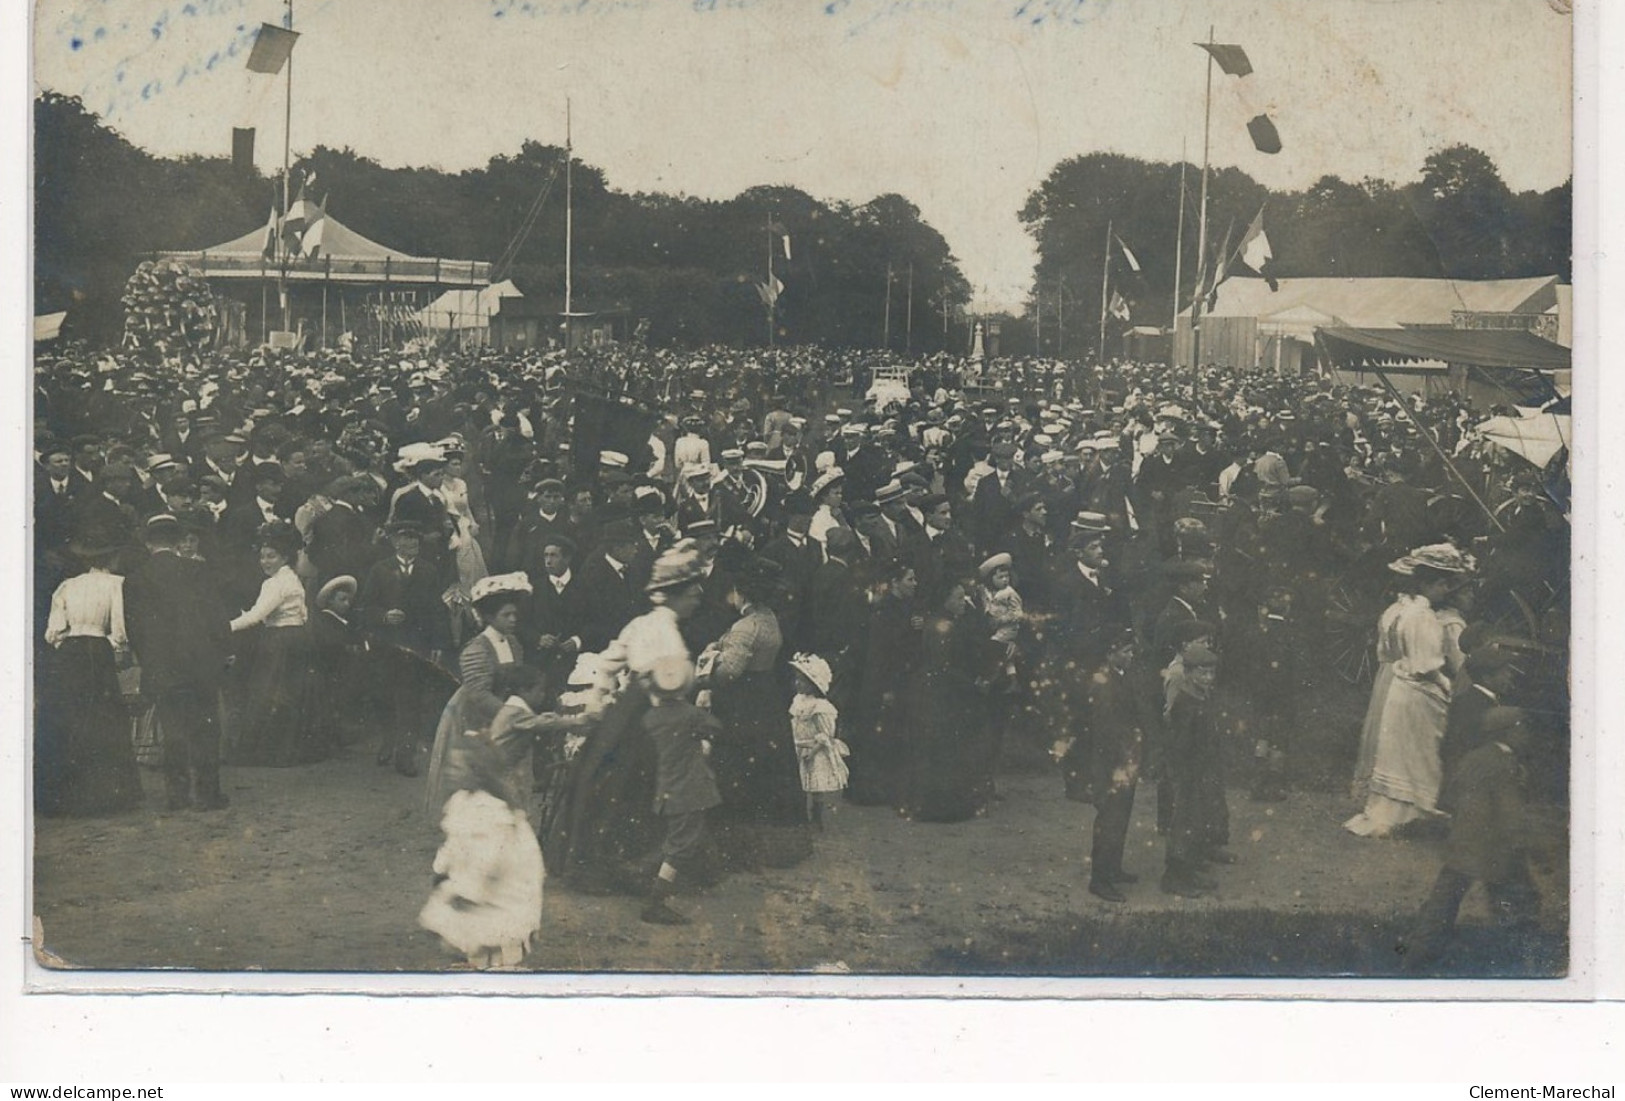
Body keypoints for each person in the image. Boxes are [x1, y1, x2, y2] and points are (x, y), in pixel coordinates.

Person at [417, 665, 555, 970]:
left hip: (501, 893)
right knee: (471, 941)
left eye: (460, 767)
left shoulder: (490, 811)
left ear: (478, 771)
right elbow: (456, 843)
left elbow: (486, 860)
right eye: (450, 767)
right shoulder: (465, 802)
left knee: (494, 947)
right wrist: (442, 868)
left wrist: (462, 891)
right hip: (481, 887)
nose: (452, 772)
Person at [1345, 544, 1477, 838]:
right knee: (1415, 752)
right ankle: (1411, 812)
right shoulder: (1423, 616)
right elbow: (1427, 664)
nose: (1445, 590)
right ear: (1428, 584)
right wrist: (1447, 688)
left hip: (1392, 679)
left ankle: (1392, 810)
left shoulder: (1395, 609)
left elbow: (1385, 652)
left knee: (1393, 749)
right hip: (1416, 688)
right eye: (1441, 584)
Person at [1402, 707, 1542, 970]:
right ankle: (1522, 961)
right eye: (1523, 728)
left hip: (1462, 844)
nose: (1527, 734)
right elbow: (1509, 811)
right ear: (1509, 732)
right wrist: (1521, 841)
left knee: (1443, 902)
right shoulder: (1506, 765)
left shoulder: (1473, 758)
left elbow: (1451, 796)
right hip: (1495, 847)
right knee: (1522, 900)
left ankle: (1417, 955)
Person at [702, 556, 809, 869]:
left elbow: (728, 673)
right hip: (767, 697)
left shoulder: (745, 627)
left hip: (743, 702)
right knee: (770, 766)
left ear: (741, 593)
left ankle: (739, 846)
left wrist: (711, 657)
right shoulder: (769, 617)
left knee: (737, 766)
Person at [122, 514, 234, 811]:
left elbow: (134, 631)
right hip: (201, 663)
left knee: (173, 730)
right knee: (206, 728)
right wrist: (223, 651)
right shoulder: (198, 570)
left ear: (148, 543)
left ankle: (178, 796)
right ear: (176, 542)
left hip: (162, 666)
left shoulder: (134, 579)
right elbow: (217, 618)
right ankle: (208, 794)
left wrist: (149, 661)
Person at [37, 535, 143, 817]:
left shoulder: (67, 585)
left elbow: (53, 631)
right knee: (101, 717)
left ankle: (62, 794)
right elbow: (119, 629)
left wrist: (67, 644)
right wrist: (115, 646)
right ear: (111, 559)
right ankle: (102, 794)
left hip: (69, 653)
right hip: (97, 651)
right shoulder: (116, 583)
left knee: (69, 716)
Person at [423, 572, 534, 813]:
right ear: (489, 617)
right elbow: (479, 696)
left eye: (515, 614)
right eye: (506, 615)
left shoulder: (514, 643)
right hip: (475, 718)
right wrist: (512, 717)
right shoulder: (476, 649)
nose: (513, 619)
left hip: (504, 714)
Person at [639, 655, 725, 925]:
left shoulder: (651, 717)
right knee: (680, 846)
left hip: (667, 786)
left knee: (685, 837)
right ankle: (655, 901)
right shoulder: (690, 715)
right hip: (688, 789)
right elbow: (716, 728)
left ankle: (700, 875)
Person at [226, 521, 320, 767]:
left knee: (269, 694)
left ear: (284, 557)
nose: (265, 562)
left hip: (280, 642)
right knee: (288, 695)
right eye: (262, 557)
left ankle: (267, 752)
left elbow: (256, 616)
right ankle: (284, 751)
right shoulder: (291, 578)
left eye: (271, 556)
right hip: (294, 639)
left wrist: (223, 628)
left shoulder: (276, 583)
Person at [1079, 629, 1150, 903]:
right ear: (1110, 653)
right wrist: (1121, 760)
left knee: (1121, 814)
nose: (1131, 656)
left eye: (1132, 651)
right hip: (1111, 763)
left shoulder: (1120, 677)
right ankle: (1100, 879)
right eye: (1125, 651)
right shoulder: (1104, 683)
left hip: (1125, 758)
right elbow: (1106, 730)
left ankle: (1113, 868)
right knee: (1109, 818)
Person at [1160, 642, 1233, 898]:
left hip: (1203, 771)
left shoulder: (1202, 697)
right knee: (1184, 823)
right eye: (1202, 673)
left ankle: (1189, 870)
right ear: (1189, 674)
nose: (1208, 678)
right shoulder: (1184, 703)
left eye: (1211, 673)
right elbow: (1180, 745)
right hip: (1188, 773)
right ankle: (1174, 876)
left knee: (1198, 822)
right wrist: (1185, 774)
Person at [788, 652, 847, 829]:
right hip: (799, 745)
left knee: (815, 786)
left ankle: (817, 816)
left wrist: (812, 752)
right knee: (800, 783)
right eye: (797, 679)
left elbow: (825, 734)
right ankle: (802, 816)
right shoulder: (797, 701)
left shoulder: (820, 707)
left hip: (814, 749)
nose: (798, 683)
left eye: (803, 681)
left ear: (813, 685)